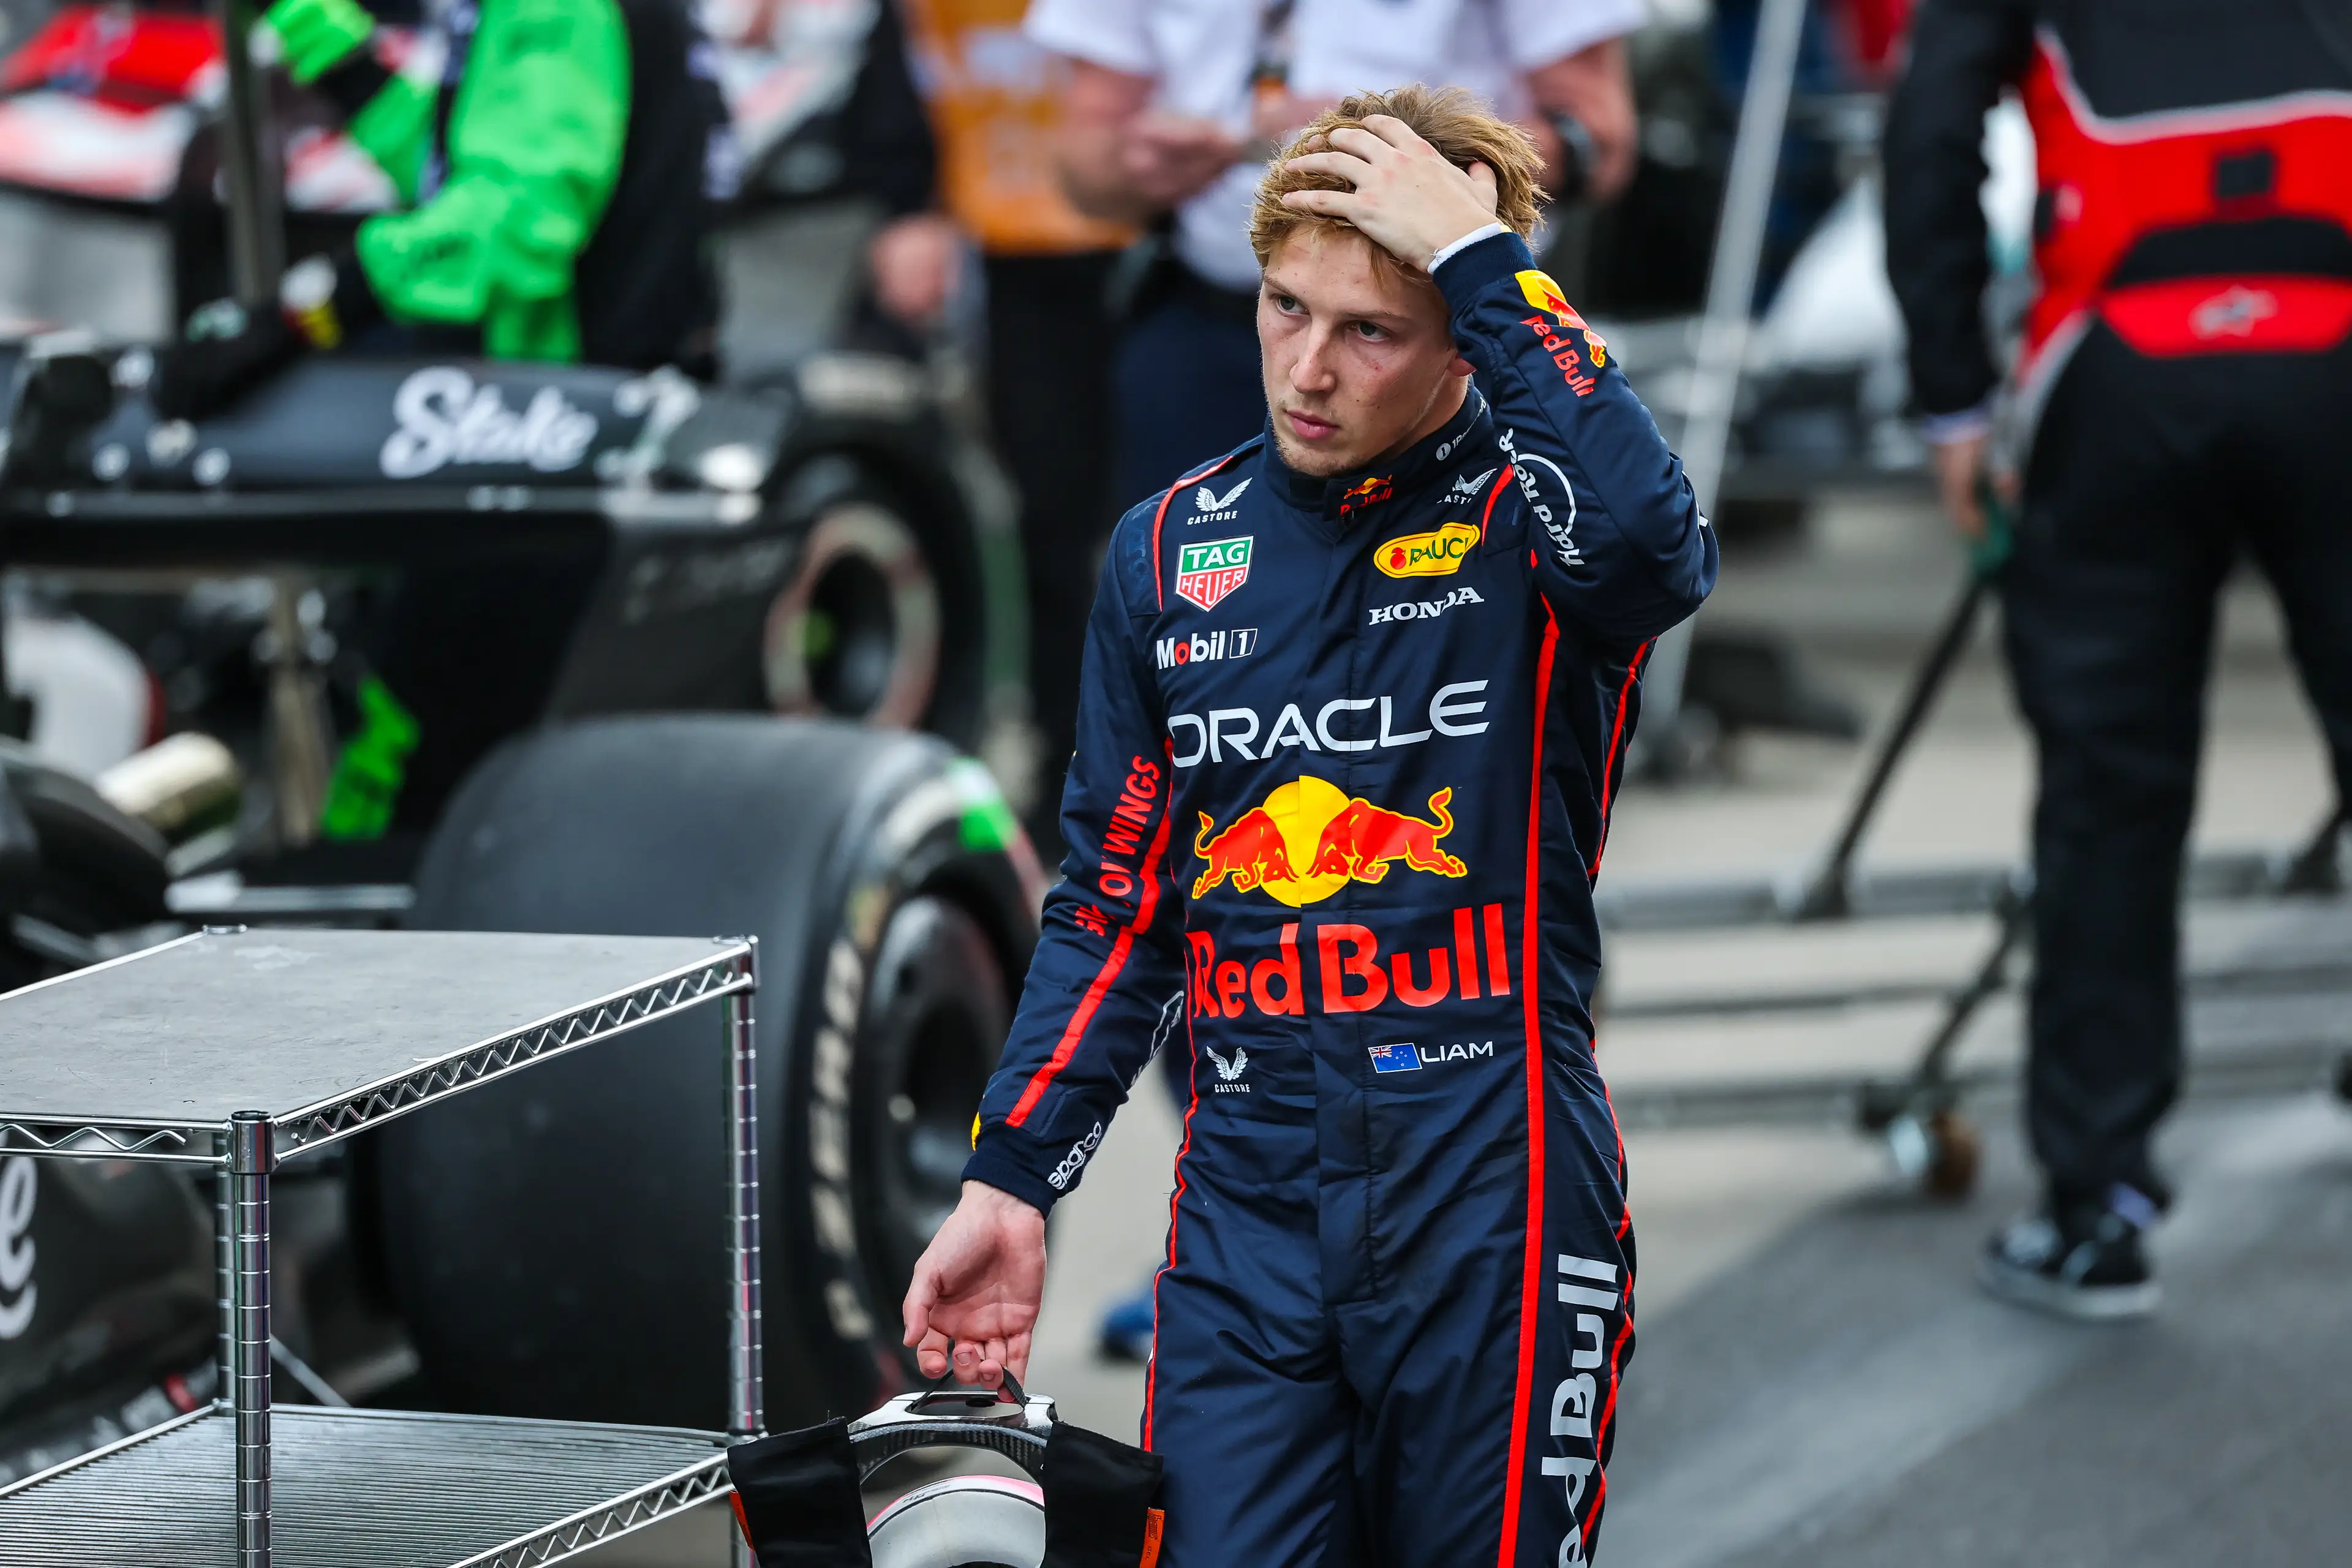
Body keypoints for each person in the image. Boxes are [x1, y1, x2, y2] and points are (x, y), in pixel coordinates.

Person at [900, 86, 1714, 1564]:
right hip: (1246, 1197)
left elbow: (1659, 550)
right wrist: (1009, 1174)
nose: (1308, 369)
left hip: (1493, 1172)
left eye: (1369, 329)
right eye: (1286, 308)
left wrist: (1482, 263)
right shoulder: (1164, 551)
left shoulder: (1541, 526)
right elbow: (1113, 905)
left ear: (1465, 336)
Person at [1885, 0, 2352, 1318]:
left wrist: (1952, 394)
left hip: (2123, 356)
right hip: (2338, 322)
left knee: (2109, 796)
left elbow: (1931, 123)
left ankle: (2098, 1208)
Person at [1023, 0, 1648, 511]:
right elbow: (1084, 157)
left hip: (1435, 340)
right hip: (1207, 330)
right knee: (1173, 613)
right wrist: (1137, 161)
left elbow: (1599, 134)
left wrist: (1421, 164)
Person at [154, 0, 731, 419]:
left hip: (573, 410)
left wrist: (304, 313)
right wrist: (309, 27)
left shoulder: (558, 9)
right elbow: (460, 172)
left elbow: (514, 226)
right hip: (576, 397)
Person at [866, 0, 1137, 849]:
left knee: (1194, 527)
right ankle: (1075, 794)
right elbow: (890, 103)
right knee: (1051, 539)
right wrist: (909, 208)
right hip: (1023, 265)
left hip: (1174, 254)